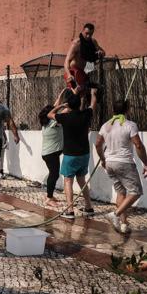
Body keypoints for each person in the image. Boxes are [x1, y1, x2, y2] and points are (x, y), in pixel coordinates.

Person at [95, 100, 147, 233]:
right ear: (127, 110)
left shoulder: (106, 125)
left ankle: (123, 224)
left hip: (109, 163)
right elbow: (138, 145)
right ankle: (115, 214)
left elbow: (97, 144)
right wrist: (146, 163)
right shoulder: (129, 125)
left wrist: (103, 159)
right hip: (124, 162)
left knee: (121, 192)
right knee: (136, 191)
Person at [47, 89, 98, 219]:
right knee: (82, 180)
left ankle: (70, 211)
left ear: (69, 105)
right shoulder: (86, 114)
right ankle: (89, 207)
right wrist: (92, 94)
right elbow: (93, 105)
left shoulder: (65, 117)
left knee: (68, 181)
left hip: (70, 154)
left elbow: (50, 114)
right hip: (84, 154)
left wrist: (62, 106)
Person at [64, 23, 105, 91]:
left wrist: (101, 53)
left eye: (91, 34)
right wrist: (69, 74)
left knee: (92, 92)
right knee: (75, 95)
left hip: (86, 72)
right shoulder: (76, 44)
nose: (88, 36)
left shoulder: (93, 42)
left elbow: (103, 52)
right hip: (74, 73)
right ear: (82, 31)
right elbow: (66, 61)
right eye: (86, 33)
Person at [38, 105, 64, 207]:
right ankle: (49, 198)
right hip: (51, 154)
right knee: (54, 175)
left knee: (53, 174)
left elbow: (54, 109)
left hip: (48, 153)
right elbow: (65, 111)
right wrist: (64, 105)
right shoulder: (54, 123)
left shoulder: (46, 123)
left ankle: (50, 195)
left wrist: (61, 96)